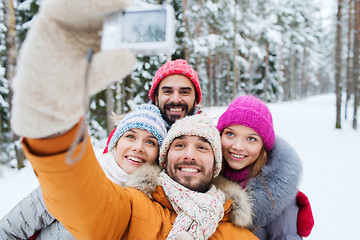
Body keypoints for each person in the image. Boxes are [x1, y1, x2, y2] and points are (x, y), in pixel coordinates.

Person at [9, 0, 258, 238]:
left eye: (185, 92)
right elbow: (78, 192)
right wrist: (50, 113)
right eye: (179, 145)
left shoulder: (228, 220)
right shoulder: (133, 204)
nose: (175, 99)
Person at [0, 104, 167, 240]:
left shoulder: (154, 204)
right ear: (116, 143)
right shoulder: (79, 177)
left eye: (150, 142)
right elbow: (12, 229)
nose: (138, 147)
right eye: (130, 136)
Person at [216, 95, 314, 239]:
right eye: (230, 134)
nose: (237, 146)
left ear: (263, 146)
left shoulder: (276, 197)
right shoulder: (205, 177)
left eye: (251, 139)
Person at [149, 59, 202, 126]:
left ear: (196, 99)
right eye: (167, 91)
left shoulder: (211, 135)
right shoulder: (135, 133)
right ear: (156, 99)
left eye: (184, 92)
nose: (175, 100)